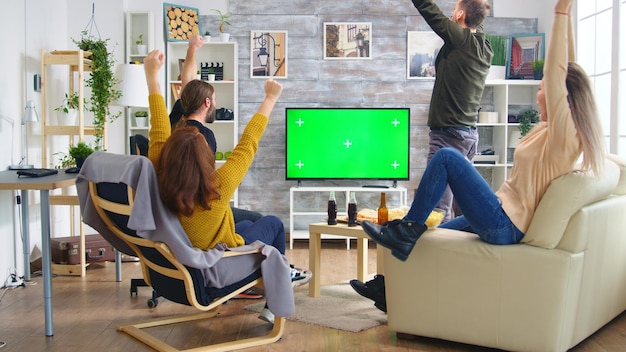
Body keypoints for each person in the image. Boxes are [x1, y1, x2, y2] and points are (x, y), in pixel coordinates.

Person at [359, 0, 606, 312]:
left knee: (446, 159)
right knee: (431, 237)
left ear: (562, 98)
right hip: (498, 210)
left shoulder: (564, 136)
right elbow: (564, 73)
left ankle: (405, 230)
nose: (539, 93)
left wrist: (561, 12)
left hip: (506, 225)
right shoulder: (545, 128)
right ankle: (388, 289)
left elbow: (560, 70)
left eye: (543, 88)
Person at [143, 49, 311, 324]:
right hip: (209, 267)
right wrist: (270, 97)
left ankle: (280, 280)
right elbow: (248, 144)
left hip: (170, 267)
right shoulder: (216, 188)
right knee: (273, 224)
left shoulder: (157, 169)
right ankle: (277, 296)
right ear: (206, 156)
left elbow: (158, 124)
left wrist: (151, 76)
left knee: (245, 226)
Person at [350, 0, 493, 312]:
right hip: (467, 136)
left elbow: (431, 12)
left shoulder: (461, 37)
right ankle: (407, 285)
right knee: (450, 217)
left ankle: (398, 292)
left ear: (459, 15)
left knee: (432, 218)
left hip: (449, 137)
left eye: (455, 7)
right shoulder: (484, 46)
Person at [170, 34, 264, 225]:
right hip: (199, 211)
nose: (216, 103)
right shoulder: (204, 137)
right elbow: (207, 182)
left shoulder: (176, 119)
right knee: (258, 220)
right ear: (207, 103)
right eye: (214, 99)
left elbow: (187, 81)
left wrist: (192, 50)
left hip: (175, 208)